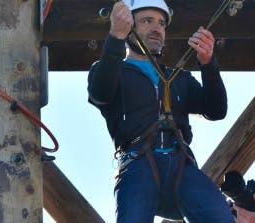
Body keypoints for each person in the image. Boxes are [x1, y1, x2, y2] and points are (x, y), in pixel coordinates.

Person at [87, 0, 236, 222]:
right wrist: (115, 38)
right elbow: (100, 92)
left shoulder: (180, 78)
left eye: (161, 23)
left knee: (221, 218)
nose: (157, 28)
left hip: (181, 166)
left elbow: (216, 110)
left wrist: (208, 63)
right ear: (130, 29)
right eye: (147, 21)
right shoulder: (109, 70)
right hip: (137, 163)